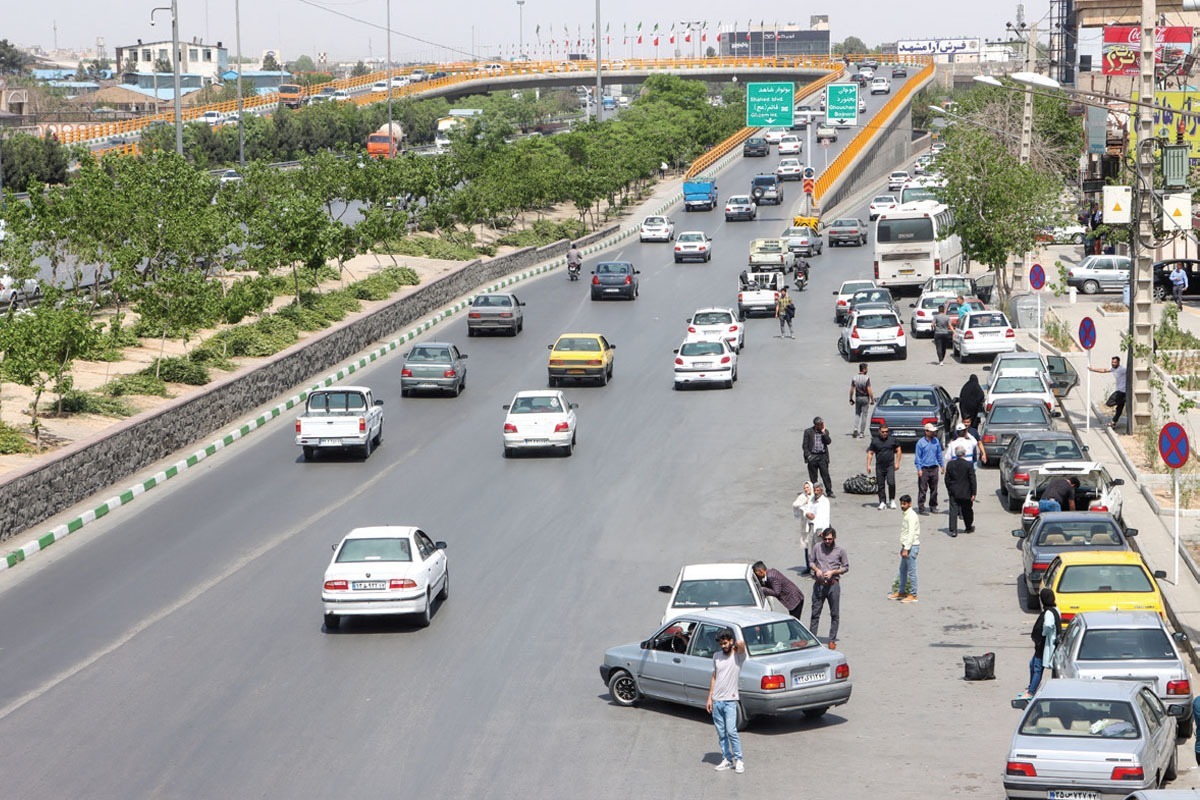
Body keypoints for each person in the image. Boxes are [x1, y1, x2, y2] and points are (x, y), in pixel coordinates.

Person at [707, 629, 747, 773]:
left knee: (731, 731)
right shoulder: (716, 656)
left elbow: (741, 644)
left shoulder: (737, 656)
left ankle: (739, 760)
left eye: (725, 643)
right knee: (721, 733)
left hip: (730, 701)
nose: (723, 646)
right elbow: (714, 676)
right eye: (720, 644)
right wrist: (710, 698)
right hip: (717, 701)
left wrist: (735, 643)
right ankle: (727, 759)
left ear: (730, 641)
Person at [809, 528, 849, 648]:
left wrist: (833, 572)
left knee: (834, 613)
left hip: (833, 585)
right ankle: (812, 639)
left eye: (830, 539)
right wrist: (816, 570)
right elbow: (811, 561)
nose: (827, 541)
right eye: (825, 539)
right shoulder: (817, 547)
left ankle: (832, 640)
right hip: (819, 585)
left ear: (834, 538)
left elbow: (846, 567)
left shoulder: (840, 551)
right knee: (815, 613)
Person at [1020, 588, 1062, 699]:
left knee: (1037, 667)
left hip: (1044, 645)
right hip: (1043, 645)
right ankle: (1030, 688)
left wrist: (1043, 633)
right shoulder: (1055, 609)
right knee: (1032, 664)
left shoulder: (1048, 612)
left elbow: (1048, 625)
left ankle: (1031, 692)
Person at [889, 494, 920, 602]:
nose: (902, 505)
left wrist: (906, 549)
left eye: (904, 503)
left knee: (912, 572)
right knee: (902, 570)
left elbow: (911, 534)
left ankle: (913, 594)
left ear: (910, 504)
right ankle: (901, 592)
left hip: (911, 547)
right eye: (901, 503)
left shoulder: (911, 516)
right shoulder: (906, 514)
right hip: (906, 546)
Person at [866, 423, 901, 510]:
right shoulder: (875, 441)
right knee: (880, 485)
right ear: (879, 431)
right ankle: (882, 502)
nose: (885, 433)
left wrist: (897, 463)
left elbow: (898, 450)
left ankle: (892, 500)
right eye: (883, 432)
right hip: (879, 466)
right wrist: (868, 465)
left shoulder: (892, 440)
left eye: (886, 432)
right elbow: (870, 453)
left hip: (890, 465)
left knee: (891, 483)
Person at [944, 444, 977, 537]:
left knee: (953, 510)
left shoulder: (950, 464)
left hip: (954, 491)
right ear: (964, 454)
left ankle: (953, 530)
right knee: (967, 510)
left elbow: (947, 478)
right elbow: (972, 480)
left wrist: (949, 489)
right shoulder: (968, 465)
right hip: (966, 491)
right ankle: (968, 527)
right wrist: (973, 493)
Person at [1089, 356, 1127, 429]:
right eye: (1112, 362)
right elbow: (1104, 370)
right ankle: (1113, 422)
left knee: (1109, 403)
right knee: (1119, 410)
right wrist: (1093, 369)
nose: (1113, 364)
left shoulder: (1123, 369)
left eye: (1115, 362)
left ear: (1118, 362)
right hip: (1121, 391)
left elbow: (1130, 373)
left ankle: (1124, 399)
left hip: (1122, 391)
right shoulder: (1113, 368)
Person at [913, 423, 944, 514]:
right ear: (926, 431)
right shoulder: (920, 443)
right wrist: (919, 469)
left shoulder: (936, 441)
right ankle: (921, 508)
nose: (933, 433)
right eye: (931, 431)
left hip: (934, 468)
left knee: (934, 489)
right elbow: (918, 457)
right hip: (924, 468)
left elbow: (939, 454)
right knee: (923, 489)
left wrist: (942, 465)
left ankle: (933, 506)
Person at [803, 417, 834, 496]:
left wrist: (824, 433)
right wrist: (808, 456)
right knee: (813, 476)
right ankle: (815, 492)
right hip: (812, 456)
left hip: (822, 456)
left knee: (825, 475)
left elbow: (828, 442)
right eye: (821, 424)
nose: (823, 425)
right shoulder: (808, 432)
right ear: (816, 425)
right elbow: (805, 445)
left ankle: (829, 491)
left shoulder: (825, 431)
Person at [793, 480, 819, 574]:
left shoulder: (815, 497)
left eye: (808, 487)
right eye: (805, 488)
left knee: (815, 546)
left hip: (814, 524)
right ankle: (808, 567)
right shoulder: (802, 497)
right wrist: (804, 502)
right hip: (805, 525)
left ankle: (816, 567)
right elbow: (795, 505)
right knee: (806, 546)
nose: (806, 489)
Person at [849, 362, 874, 438]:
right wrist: (872, 400)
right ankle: (862, 432)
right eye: (867, 368)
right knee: (864, 415)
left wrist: (850, 398)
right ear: (864, 369)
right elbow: (869, 390)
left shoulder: (854, 378)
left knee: (857, 414)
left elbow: (852, 389)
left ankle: (855, 428)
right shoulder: (867, 378)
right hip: (865, 398)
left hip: (858, 398)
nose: (867, 370)